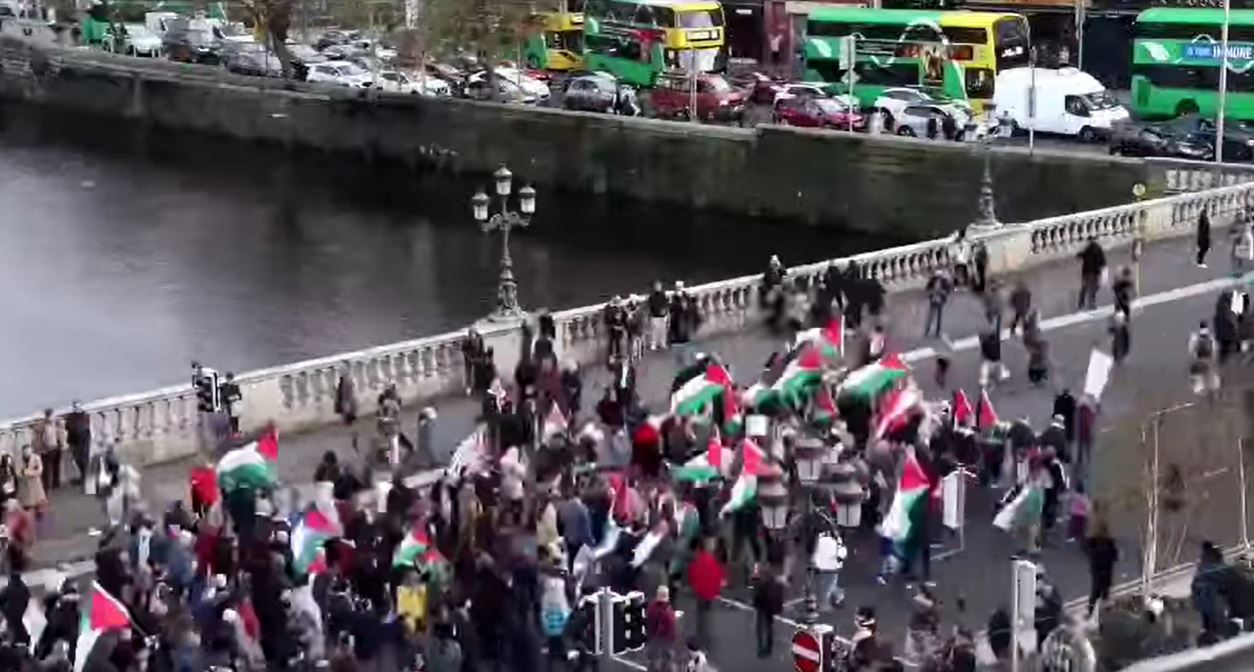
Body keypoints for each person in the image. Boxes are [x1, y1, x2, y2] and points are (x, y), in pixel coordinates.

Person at [688, 536, 724, 650]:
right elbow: (719, 575)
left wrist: (694, 588)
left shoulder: (697, 561)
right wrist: (717, 590)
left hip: (701, 592)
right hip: (710, 592)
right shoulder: (711, 560)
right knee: (707, 613)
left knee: (700, 614)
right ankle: (706, 635)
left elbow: (693, 576)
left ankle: (701, 636)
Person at [1086, 517, 1119, 622]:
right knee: (1105, 594)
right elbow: (1115, 556)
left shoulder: (1093, 541)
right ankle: (1104, 618)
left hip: (1097, 571)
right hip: (1106, 571)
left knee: (1095, 594)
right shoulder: (1109, 542)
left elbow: (1089, 552)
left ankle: (1090, 612)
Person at [812, 530, 847, 610]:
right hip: (832, 567)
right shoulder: (837, 541)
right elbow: (842, 554)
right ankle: (825, 603)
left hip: (822, 567)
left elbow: (816, 552)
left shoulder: (821, 539)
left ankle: (836, 599)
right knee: (829, 585)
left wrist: (815, 563)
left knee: (826, 584)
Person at [646, 585, 678, 671]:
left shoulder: (651, 607)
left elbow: (649, 621)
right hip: (666, 640)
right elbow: (672, 627)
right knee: (668, 661)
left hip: (653, 639)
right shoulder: (668, 611)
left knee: (653, 661)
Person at [32, 408, 63, 492]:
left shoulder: (55, 423)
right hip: (47, 450)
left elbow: (59, 433)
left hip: (55, 447)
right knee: (47, 469)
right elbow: (38, 438)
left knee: (55, 466)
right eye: (53, 415)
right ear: (49, 416)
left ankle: (55, 483)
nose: (55, 417)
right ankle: (46, 487)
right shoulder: (43, 425)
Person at [1188, 321, 1220, 396]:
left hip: (1198, 361)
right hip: (1208, 361)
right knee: (1212, 379)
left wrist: (1193, 359)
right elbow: (1214, 350)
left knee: (1198, 378)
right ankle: (1213, 392)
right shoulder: (1211, 337)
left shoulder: (1195, 337)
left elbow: (1191, 350)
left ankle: (1198, 390)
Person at [1077, 237, 1106, 310]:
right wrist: (1103, 268)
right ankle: (1090, 302)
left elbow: (1081, 255)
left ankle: (1083, 302)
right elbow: (1102, 260)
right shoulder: (1095, 248)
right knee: (1093, 287)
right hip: (1093, 271)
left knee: (1086, 287)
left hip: (1088, 271)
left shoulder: (1089, 249)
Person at [19, 445, 46, 516]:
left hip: (35, 482)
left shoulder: (36, 458)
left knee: (38, 499)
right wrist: (22, 474)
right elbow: (18, 471)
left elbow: (40, 470)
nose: (26, 453)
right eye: (25, 452)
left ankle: (39, 512)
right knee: (26, 501)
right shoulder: (20, 460)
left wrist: (28, 473)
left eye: (28, 451)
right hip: (25, 484)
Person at [924, 269, 951, 339]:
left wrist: (943, 292)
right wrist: (931, 292)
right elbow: (927, 288)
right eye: (937, 276)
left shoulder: (944, 281)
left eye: (939, 276)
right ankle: (927, 330)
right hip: (933, 300)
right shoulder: (932, 281)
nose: (938, 277)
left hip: (940, 300)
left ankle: (937, 332)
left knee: (939, 317)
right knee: (931, 316)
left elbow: (948, 290)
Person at [647, 281, 670, 352]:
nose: (658, 287)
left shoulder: (663, 295)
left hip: (663, 316)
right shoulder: (652, 296)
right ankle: (653, 344)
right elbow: (650, 306)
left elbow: (666, 305)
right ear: (654, 287)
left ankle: (662, 343)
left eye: (659, 286)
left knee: (663, 331)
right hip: (654, 316)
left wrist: (666, 313)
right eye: (656, 286)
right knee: (654, 331)